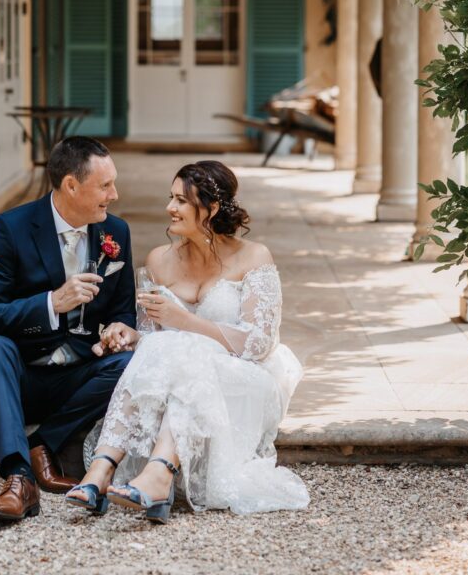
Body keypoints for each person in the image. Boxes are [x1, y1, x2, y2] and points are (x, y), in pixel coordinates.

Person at [66, 160, 309, 522]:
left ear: (211, 208)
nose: (170, 207)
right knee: (168, 348)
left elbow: (258, 345)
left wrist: (185, 322)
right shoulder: (158, 260)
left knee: (189, 349)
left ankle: (154, 472)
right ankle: (103, 472)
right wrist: (130, 335)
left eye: (181, 200)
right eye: (171, 197)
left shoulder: (254, 257)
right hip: (183, 375)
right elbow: (154, 340)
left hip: (243, 379)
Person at [0, 136, 136, 522]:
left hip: (75, 379)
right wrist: (51, 304)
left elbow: (124, 311)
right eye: (105, 186)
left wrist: (119, 331)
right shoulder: (11, 228)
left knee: (133, 363)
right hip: (15, 379)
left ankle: (43, 443)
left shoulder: (116, 232)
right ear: (71, 185)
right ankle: (19, 479)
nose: (115, 195)